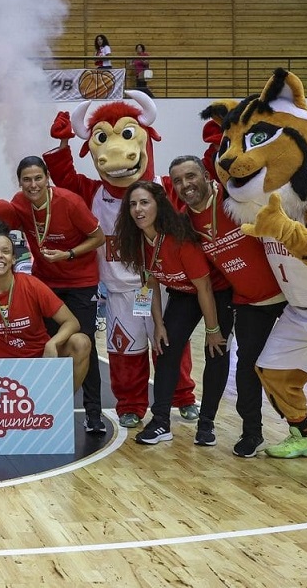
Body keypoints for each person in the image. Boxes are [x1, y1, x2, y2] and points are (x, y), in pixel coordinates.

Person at [169, 156, 285, 456]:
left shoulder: (237, 197)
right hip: (247, 301)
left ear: (208, 176)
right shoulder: (185, 223)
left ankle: (300, 430)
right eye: (178, 181)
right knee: (247, 368)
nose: (185, 185)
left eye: (191, 176)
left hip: (289, 293)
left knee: (292, 367)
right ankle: (252, 432)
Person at [116, 181, 232, 447]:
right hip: (183, 293)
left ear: (159, 204)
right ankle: (160, 423)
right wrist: (158, 324)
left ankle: (206, 425)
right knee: (165, 348)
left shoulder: (179, 239)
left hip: (215, 293)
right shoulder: (137, 239)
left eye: (144, 202)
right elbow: (151, 282)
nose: (138, 209)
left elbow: (204, 287)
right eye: (133, 204)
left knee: (216, 351)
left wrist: (213, 331)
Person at [11, 156, 106, 433]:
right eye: (27, 179)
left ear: (47, 178)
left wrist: (69, 254)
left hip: (81, 282)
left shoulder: (70, 202)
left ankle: (93, 413)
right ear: (19, 182)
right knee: (49, 343)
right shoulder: (19, 203)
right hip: (46, 282)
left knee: (84, 342)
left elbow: (99, 238)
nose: (33, 184)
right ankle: (47, 407)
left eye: (38, 178)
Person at [0, 220, 91, 390]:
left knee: (81, 342)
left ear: (13, 258)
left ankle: (62, 404)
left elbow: (72, 322)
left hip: (38, 363)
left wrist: (52, 343)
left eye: (5, 251)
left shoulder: (32, 285)